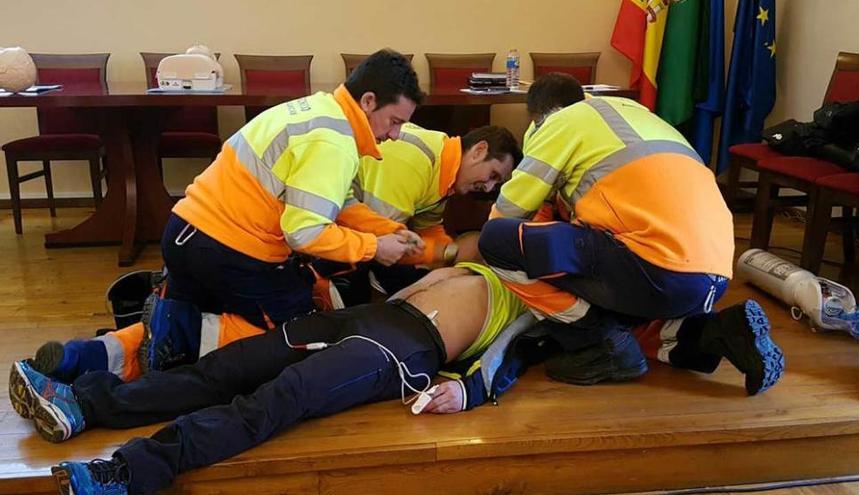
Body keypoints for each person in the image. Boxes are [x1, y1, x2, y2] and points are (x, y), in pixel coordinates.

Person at [12, 263, 779, 495]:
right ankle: (84, 402)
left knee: (270, 403)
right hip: (361, 319)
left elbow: (504, 359)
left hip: (403, 351)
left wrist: (466, 392)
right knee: (222, 367)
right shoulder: (486, 255)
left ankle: (129, 470)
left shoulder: (533, 300)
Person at [17, 49, 427, 383]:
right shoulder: (335, 142)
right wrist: (376, 248)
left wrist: (389, 230)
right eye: (394, 122)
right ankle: (178, 338)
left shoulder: (314, 111)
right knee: (298, 332)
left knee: (178, 328)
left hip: (183, 232)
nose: (393, 135)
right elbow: (305, 234)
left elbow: (334, 206)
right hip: (229, 252)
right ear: (368, 101)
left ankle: (82, 356)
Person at [480, 72, 783, 395]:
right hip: (712, 278)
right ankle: (721, 331)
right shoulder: (633, 114)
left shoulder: (559, 123)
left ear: (540, 118)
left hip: (658, 270)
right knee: (627, 311)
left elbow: (508, 214)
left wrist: (468, 255)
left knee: (496, 240)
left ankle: (600, 345)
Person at [314, 123, 522, 306]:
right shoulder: (416, 161)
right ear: (479, 150)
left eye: (496, 183)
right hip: (320, 214)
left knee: (418, 285)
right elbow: (385, 239)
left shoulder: (444, 167)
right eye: (492, 175)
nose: (488, 188)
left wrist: (447, 252)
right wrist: (449, 253)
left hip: (363, 220)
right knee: (363, 300)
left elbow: (428, 227)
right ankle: (317, 276)